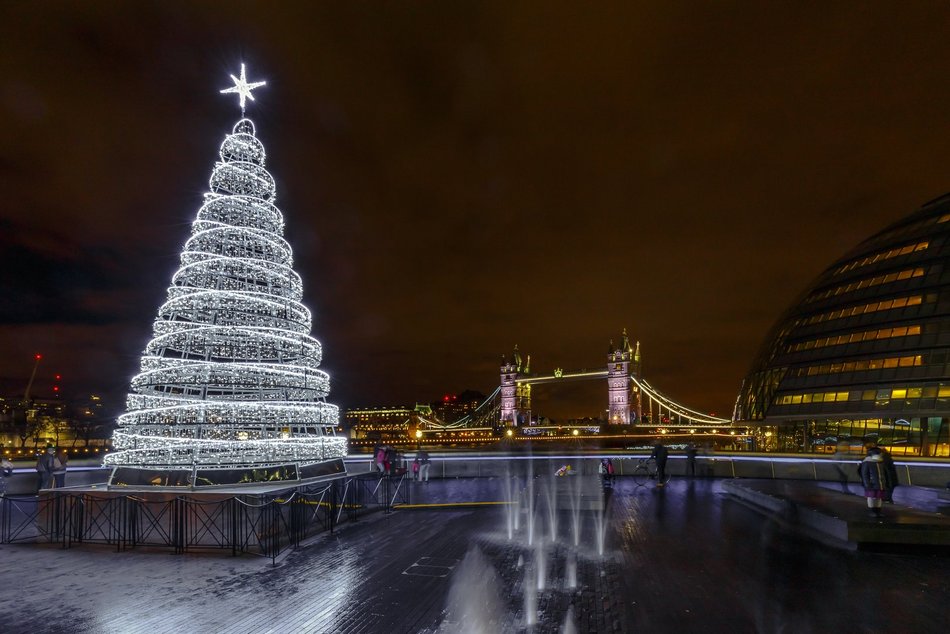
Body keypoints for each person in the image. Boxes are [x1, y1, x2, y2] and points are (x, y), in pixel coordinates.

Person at [859, 446, 886, 517]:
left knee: (878, 497)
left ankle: (878, 511)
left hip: (879, 483)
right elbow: (865, 474)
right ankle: (872, 511)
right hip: (872, 484)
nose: (881, 454)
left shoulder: (880, 462)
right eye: (880, 453)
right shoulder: (867, 462)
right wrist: (867, 484)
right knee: (871, 497)